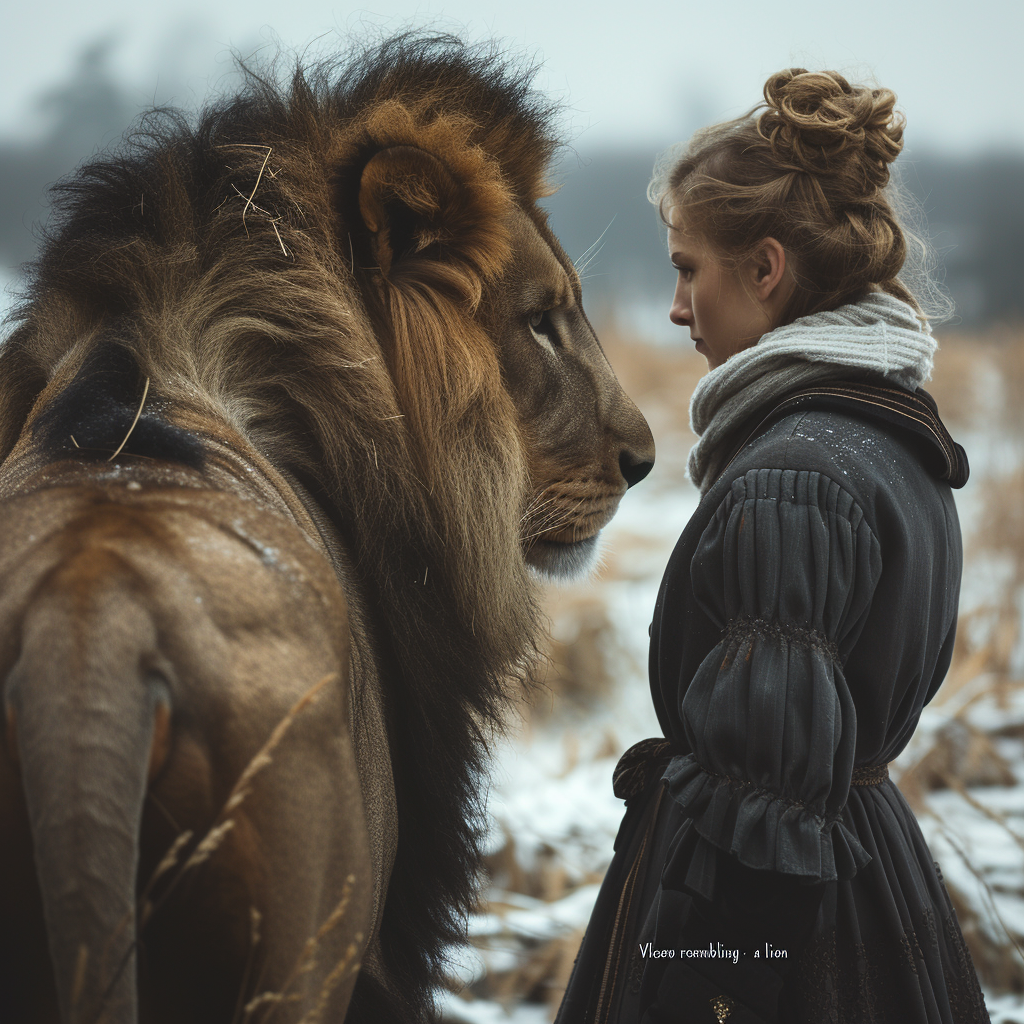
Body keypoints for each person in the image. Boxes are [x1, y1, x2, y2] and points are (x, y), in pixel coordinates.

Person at [555, 69, 989, 1024]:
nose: (675, 308)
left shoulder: (793, 480)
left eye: (686, 268)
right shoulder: (885, 432)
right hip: (872, 889)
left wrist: (702, 990)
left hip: (791, 945)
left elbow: (765, 817)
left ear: (764, 269)